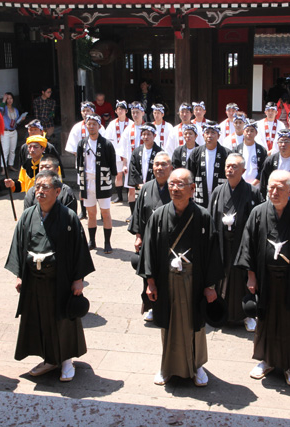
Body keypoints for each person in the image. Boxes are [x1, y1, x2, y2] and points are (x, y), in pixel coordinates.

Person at [5, 170, 95, 383]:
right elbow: (19, 245)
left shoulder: (68, 217)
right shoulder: (28, 215)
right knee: (39, 319)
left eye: (45, 187)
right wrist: (19, 275)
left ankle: (66, 360)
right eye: (37, 187)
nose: (40, 191)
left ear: (57, 191)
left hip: (60, 278)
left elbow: (79, 249)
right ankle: (49, 359)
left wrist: (78, 279)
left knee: (62, 319)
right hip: (34, 279)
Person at [138, 168, 223, 386]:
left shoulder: (203, 217)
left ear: (192, 189)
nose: (175, 189)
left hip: (195, 280)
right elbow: (148, 250)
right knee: (168, 323)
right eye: (172, 184)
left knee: (195, 323)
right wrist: (150, 282)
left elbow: (213, 253)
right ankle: (167, 367)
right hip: (166, 279)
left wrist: (210, 286)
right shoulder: (159, 216)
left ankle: (197, 365)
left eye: (180, 184)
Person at [236, 170, 290, 386]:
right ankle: (267, 360)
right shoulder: (258, 212)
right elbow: (248, 245)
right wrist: (251, 277)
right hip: (265, 278)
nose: (273, 192)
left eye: (279, 189)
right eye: (271, 187)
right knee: (266, 321)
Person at [209, 153, 263, 331]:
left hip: (243, 244)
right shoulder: (218, 191)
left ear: (243, 170)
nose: (230, 169)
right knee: (221, 278)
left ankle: (247, 315)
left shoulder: (252, 192)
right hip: (222, 244)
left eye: (234, 167)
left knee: (242, 280)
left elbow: (258, 221)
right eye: (228, 166)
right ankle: (220, 313)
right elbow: (210, 218)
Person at [129, 152, 172, 322]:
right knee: (149, 274)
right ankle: (152, 307)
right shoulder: (146, 188)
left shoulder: (175, 187)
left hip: (169, 241)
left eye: (164, 164)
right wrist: (138, 236)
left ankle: (169, 307)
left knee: (169, 275)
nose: (159, 168)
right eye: (156, 164)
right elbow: (139, 214)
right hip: (149, 240)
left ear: (171, 167)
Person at [75, 114, 117, 254]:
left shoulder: (106, 144)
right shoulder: (82, 144)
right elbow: (79, 164)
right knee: (91, 213)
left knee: (105, 212)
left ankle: (107, 242)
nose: (91, 126)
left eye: (94, 124)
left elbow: (112, 164)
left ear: (99, 126)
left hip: (102, 181)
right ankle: (92, 241)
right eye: (89, 124)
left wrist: (113, 177)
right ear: (86, 125)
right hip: (87, 182)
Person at [66, 101, 107, 219]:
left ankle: (102, 212)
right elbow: (73, 147)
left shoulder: (100, 127)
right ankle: (84, 212)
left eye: (88, 110)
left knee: (99, 188)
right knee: (82, 188)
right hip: (82, 163)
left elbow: (105, 145)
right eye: (83, 111)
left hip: (98, 163)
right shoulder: (76, 127)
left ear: (93, 111)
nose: (85, 113)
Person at [187, 121, 231, 208]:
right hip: (200, 194)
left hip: (221, 194)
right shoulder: (196, 153)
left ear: (218, 136)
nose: (210, 135)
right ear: (203, 135)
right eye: (207, 133)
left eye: (213, 133)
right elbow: (189, 174)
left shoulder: (226, 153)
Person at [118, 102, 147, 221]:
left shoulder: (148, 127)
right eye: (133, 112)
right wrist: (124, 165)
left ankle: (144, 213)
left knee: (145, 189)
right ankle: (133, 213)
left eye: (137, 112)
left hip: (145, 162)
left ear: (142, 113)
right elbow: (124, 148)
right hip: (132, 163)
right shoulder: (128, 129)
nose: (135, 115)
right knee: (131, 189)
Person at [104, 100, 132, 204]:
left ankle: (130, 196)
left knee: (129, 176)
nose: (120, 111)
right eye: (118, 109)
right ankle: (119, 196)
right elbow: (107, 139)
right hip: (116, 154)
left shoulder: (131, 123)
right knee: (118, 175)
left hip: (128, 154)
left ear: (126, 111)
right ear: (115, 111)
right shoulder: (112, 124)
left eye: (122, 109)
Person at [259, 129, 290, 198]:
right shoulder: (270, 160)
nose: (283, 144)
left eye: (286, 141)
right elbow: (263, 181)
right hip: (274, 196)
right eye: (281, 141)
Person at [128, 123, 163, 191]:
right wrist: (138, 184)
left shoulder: (160, 152)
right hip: (140, 187)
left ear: (154, 136)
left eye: (148, 134)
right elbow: (133, 168)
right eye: (144, 134)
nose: (146, 137)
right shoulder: (136, 152)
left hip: (155, 188)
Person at [0, 92, 20, 176]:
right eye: (8, 99)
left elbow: (16, 121)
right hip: (5, 131)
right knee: (5, 150)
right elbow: (0, 110)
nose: (9, 100)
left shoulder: (15, 110)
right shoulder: (4, 109)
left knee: (12, 150)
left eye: (11, 98)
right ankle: (3, 167)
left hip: (13, 131)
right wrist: (3, 100)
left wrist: (21, 119)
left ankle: (11, 165)